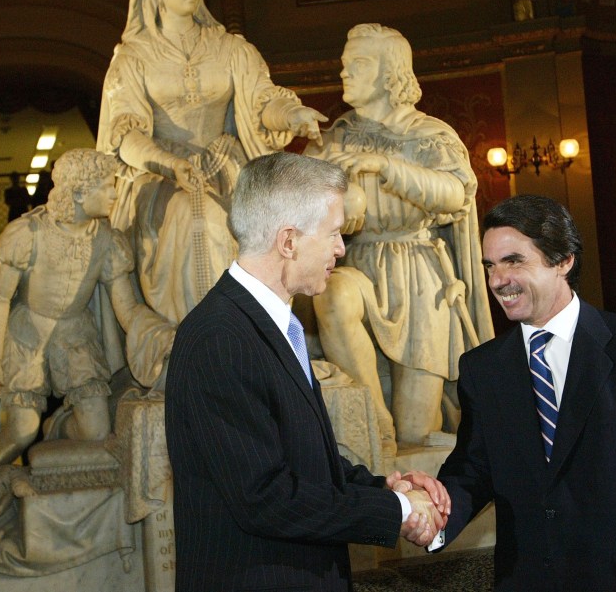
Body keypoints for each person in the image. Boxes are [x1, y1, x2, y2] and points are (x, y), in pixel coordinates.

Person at [165, 151, 452, 592]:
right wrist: (397, 511)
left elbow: (301, 461)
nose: (341, 247)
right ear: (289, 241)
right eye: (334, 232)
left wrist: (383, 490)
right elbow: (266, 498)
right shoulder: (219, 338)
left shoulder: (267, 325)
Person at [434, 194, 616, 591]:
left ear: (564, 260)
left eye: (514, 261)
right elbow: (473, 470)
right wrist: (431, 510)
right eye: (490, 266)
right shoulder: (482, 368)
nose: (498, 280)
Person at [96, 0, 326, 338]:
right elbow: (123, 136)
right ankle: (195, 338)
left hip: (227, 166)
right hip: (159, 176)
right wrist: (171, 165)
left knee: (258, 220)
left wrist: (290, 116)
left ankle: (251, 336)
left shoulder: (231, 48)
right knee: (188, 214)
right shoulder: (133, 59)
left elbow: (261, 103)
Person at [307, 23, 493, 453]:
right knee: (332, 295)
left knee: (417, 436)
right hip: (356, 263)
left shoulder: (429, 134)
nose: (344, 73)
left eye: (358, 64)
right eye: (344, 64)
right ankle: (373, 423)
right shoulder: (335, 138)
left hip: (420, 279)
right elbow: (297, 204)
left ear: (390, 72)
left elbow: (456, 192)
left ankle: (423, 508)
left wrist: (385, 167)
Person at [0, 149, 170, 489]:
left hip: (75, 333)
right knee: (22, 429)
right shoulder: (28, 233)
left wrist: (159, 334)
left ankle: (58, 428)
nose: (114, 194)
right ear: (79, 193)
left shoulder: (108, 240)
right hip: (28, 332)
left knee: (95, 431)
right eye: (107, 187)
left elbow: (127, 309)